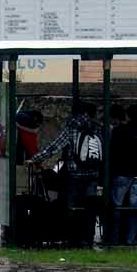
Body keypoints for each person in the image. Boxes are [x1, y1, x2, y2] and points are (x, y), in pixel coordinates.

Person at [27, 102, 102, 248]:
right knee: (90, 207)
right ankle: (88, 239)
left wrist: (35, 159)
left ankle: (73, 238)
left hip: (75, 174)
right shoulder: (97, 127)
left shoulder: (72, 127)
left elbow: (55, 146)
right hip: (93, 174)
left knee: (72, 207)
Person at [109, 104, 137, 245]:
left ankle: (114, 238)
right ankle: (131, 238)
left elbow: (113, 150)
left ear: (127, 114)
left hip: (121, 171)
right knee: (135, 207)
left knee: (117, 206)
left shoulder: (118, 131)